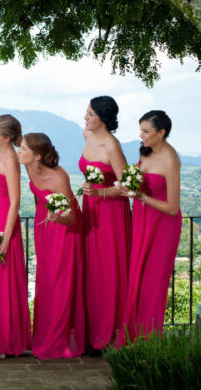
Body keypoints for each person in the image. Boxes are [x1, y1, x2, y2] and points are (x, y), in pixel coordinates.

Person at [19, 133, 86, 359]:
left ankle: (59, 340)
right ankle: (45, 334)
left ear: (37, 156)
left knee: (60, 283)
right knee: (46, 281)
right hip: (44, 228)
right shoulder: (29, 168)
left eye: (24, 149)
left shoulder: (58, 177)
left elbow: (73, 218)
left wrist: (57, 218)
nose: (19, 151)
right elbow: (40, 199)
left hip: (64, 230)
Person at [119, 111, 181, 343]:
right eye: (141, 130)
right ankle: (132, 338)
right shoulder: (144, 154)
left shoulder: (170, 159)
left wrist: (140, 197)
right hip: (142, 221)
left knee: (153, 284)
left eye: (146, 131)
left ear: (161, 132)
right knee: (136, 279)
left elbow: (173, 208)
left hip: (162, 226)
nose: (141, 135)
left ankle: (148, 342)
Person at [79, 96, 131, 353]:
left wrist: (100, 193)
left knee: (109, 270)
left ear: (103, 118)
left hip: (111, 214)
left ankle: (110, 335)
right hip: (90, 211)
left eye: (90, 114)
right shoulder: (87, 136)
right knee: (91, 269)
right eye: (86, 112)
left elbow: (128, 186)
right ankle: (92, 332)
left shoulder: (112, 146)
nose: (85, 117)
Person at [0, 115, 31, 358]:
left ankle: (5, 340)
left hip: (2, 223)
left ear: (7, 137)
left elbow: (15, 201)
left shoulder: (11, 158)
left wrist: (6, 237)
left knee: (0, 279)